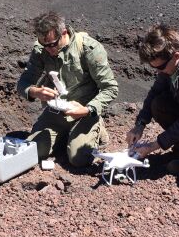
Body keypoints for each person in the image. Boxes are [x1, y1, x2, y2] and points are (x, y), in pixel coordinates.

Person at [17, 11, 118, 167]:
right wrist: (34, 91)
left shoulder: (88, 48)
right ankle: (65, 136)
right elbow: (23, 82)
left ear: (63, 33)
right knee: (32, 151)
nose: (48, 49)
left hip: (84, 111)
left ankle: (97, 128)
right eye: (44, 45)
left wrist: (88, 110)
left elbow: (110, 88)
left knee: (79, 159)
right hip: (57, 111)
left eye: (52, 44)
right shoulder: (41, 49)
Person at [126, 24, 179, 190]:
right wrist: (140, 124)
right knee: (158, 105)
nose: (157, 72)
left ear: (176, 56)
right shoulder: (171, 61)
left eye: (159, 67)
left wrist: (153, 146)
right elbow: (156, 91)